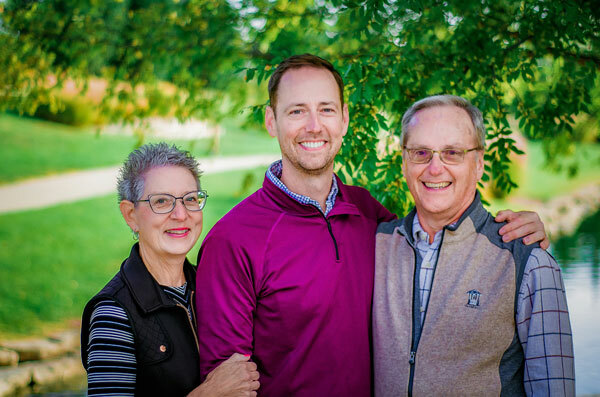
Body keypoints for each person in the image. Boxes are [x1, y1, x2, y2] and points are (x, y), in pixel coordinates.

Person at [195, 55, 549, 396]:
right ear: (271, 121)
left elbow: (436, 227)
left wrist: (513, 230)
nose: (314, 125)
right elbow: (228, 384)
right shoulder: (233, 239)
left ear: (345, 119)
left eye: (326, 109)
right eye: (297, 111)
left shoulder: (368, 214)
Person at [373, 95, 575, 396]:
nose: (435, 168)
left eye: (452, 153)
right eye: (421, 152)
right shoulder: (375, 246)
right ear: (404, 162)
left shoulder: (528, 262)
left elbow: (553, 389)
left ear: (479, 164)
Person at [80, 143, 260, 397]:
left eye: (190, 199)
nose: (180, 214)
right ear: (130, 215)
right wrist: (209, 394)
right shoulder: (113, 314)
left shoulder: (217, 287)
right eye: (162, 201)